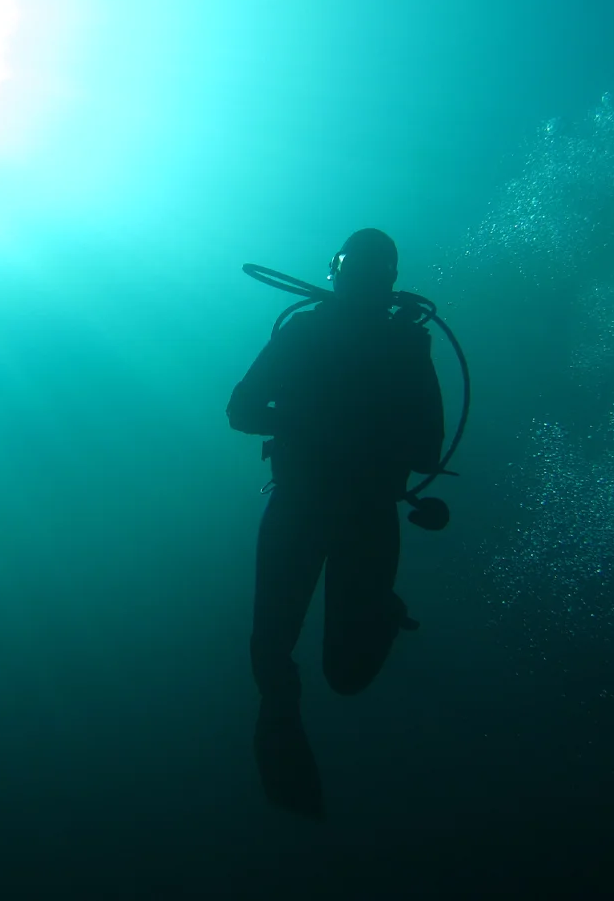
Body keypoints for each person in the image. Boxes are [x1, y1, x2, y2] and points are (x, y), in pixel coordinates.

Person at [227, 228, 445, 819]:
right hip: (335, 509)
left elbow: (242, 411)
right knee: (284, 656)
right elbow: (429, 453)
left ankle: (374, 618)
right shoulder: (385, 342)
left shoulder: (389, 344)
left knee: (299, 660)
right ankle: (284, 719)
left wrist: (311, 422)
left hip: (331, 510)